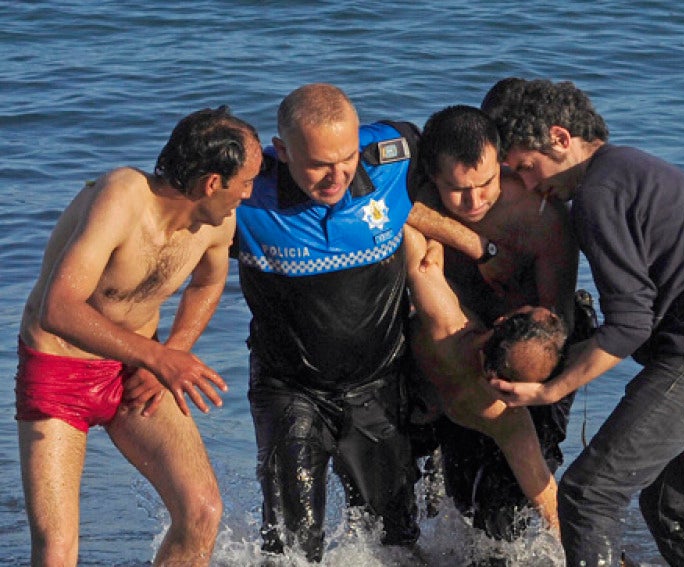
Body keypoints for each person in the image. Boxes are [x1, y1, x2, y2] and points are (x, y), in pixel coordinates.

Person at [483, 78, 684, 566]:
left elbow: (629, 326)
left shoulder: (597, 194)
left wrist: (552, 390)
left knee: (589, 494)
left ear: (561, 139)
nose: (528, 185)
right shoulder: (628, 168)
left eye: (526, 167)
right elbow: (636, 318)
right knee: (670, 505)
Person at [16, 106, 262, 566]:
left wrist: (173, 350)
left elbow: (208, 284)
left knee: (202, 511)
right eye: (245, 182)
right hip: (59, 371)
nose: (248, 194)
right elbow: (58, 308)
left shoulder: (217, 222)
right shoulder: (122, 196)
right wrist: (161, 358)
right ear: (212, 182)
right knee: (57, 548)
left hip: (136, 372)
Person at [234, 83, 431, 562]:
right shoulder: (246, 193)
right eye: (318, 164)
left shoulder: (396, 154)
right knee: (292, 546)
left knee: (397, 540)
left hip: (379, 385)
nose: (336, 175)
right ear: (280, 152)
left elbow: (470, 174)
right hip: (289, 389)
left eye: (346, 157)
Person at [410, 104, 584, 547]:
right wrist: (477, 246)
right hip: (463, 352)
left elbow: (554, 318)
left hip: (532, 349)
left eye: (486, 183)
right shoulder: (420, 203)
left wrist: (534, 387)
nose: (475, 201)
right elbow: (381, 206)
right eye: (458, 190)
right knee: (463, 487)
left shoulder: (539, 217)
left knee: (521, 480)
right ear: (431, 176)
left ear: (503, 162)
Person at [403, 225, 565, 534]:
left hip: (407, 399)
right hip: (452, 412)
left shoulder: (446, 324)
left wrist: (440, 241)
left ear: (501, 320)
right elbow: (549, 502)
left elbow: (407, 230)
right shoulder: (504, 415)